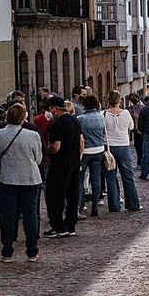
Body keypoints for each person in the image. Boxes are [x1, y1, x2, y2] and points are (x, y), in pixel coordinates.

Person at [0, 103, 43, 262]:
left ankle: (7, 251)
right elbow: (38, 158)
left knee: (7, 214)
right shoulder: (32, 135)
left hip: (5, 179)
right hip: (29, 179)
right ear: (23, 118)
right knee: (30, 214)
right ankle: (32, 250)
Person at [42, 95, 83, 237]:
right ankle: (71, 225)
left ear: (54, 109)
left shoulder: (57, 124)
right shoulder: (75, 121)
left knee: (55, 195)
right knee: (72, 194)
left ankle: (58, 226)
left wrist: (46, 150)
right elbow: (81, 142)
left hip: (60, 163)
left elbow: (56, 147)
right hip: (74, 162)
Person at [102, 93, 142, 212]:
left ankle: (114, 205)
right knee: (128, 176)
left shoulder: (103, 114)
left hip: (109, 148)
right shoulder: (126, 113)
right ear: (119, 100)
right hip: (123, 146)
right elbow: (131, 127)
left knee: (111, 177)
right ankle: (132, 204)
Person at [76, 94, 107, 215]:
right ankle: (95, 207)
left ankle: (80, 205)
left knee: (80, 179)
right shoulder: (100, 117)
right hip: (99, 150)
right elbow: (103, 132)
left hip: (85, 151)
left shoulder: (80, 119)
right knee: (96, 179)